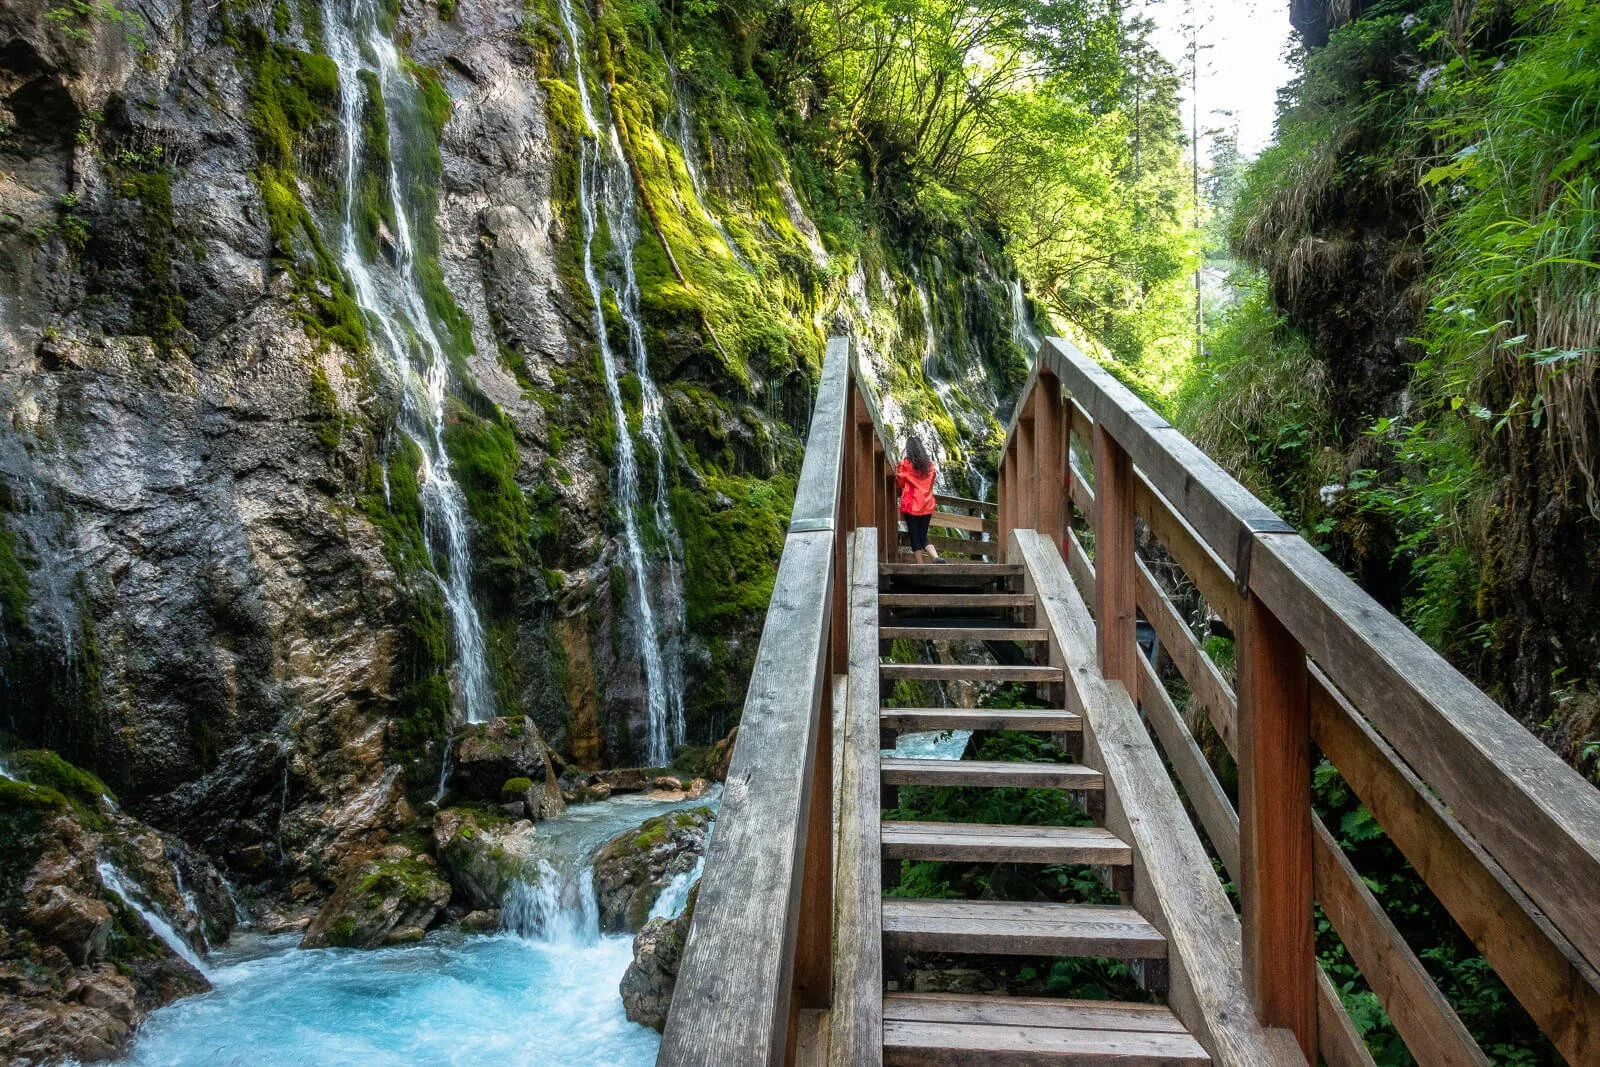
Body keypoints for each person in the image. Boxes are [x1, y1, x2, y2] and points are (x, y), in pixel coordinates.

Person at [896, 434, 943, 563]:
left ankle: (921, 565)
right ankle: (936, 557)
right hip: (927, 505)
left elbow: (900, 482)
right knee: (923, 535)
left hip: (911, 505)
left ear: (909, 449)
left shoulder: (906, 465)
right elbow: (932, 481)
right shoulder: (930, 466)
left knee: (914, 536)